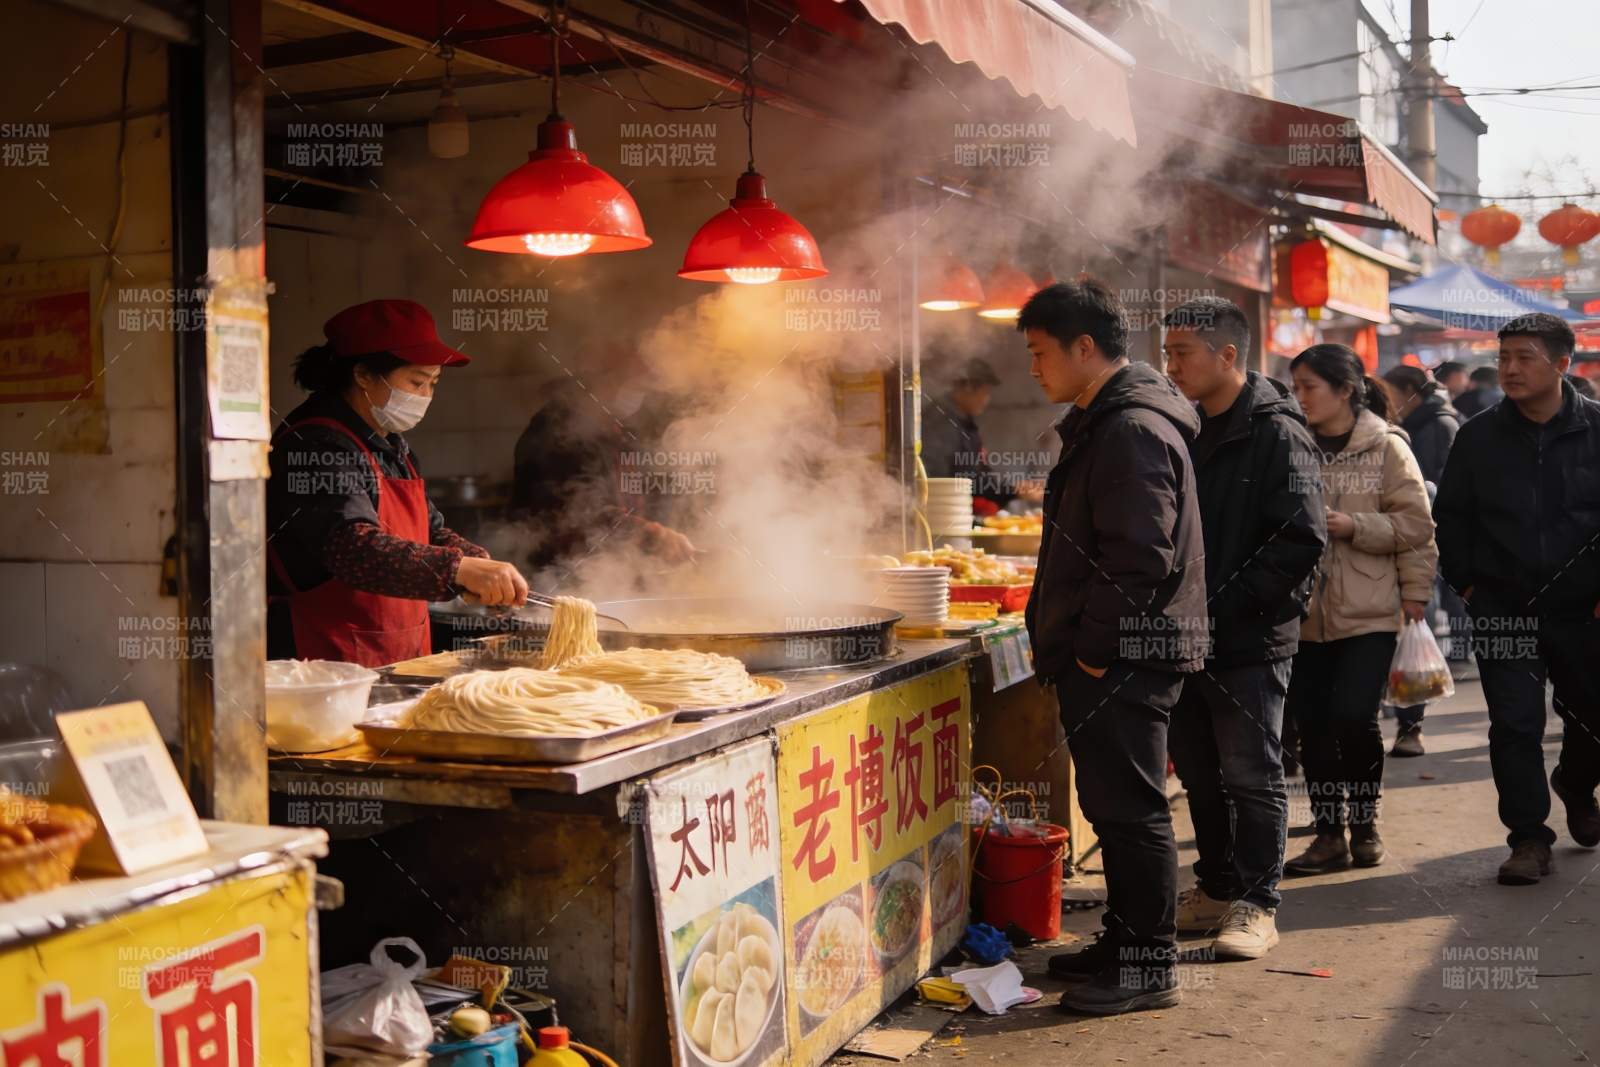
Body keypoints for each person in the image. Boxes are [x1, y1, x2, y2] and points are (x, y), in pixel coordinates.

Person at [1020, 280, 1208, 1014]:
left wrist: (1095, 648)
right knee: (1112, 803)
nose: (1034, 369)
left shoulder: (1130, 428)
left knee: (1129, 810)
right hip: (1119, 652)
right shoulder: (1110, 419)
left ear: (1084, 347)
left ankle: (1147, 965)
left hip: (1126, 655)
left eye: (1040, 353)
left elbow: (1140, 557)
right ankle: (1126, 939)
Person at [1161, 298, 1326, 960]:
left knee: (1251, 774)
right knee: (1200, 771)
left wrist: (1222, 609)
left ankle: (1258, 903)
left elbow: (1299, 538)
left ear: (1228, 355)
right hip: (1184, 637)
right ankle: (1217, 883)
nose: (1170, 365)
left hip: (1250, 638)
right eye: (1166, 352)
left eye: (1181, 353)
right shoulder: (1182, 423)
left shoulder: (1277, 430)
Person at [267, 300, 529, 666]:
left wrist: (478, 563)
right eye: (416, 382)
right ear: (362, 375)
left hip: (396, 653)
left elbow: (429, 529)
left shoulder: (390, 444)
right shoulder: (315, 444)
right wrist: (458, 570)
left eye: (433, 383)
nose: (425, 396)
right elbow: (352, 549)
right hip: (325, 661)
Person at [1434, 313, 1600, 886]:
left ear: (1561, 364)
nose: (1509, 368)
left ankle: (1577, 786)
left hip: (1585, 612)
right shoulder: (1478, 435)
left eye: (1525, 357)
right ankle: (1529, 838)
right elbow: (1451, 518)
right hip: (1504, 609)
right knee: (1514, 724)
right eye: (1504, 357)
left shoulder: (1597, 430)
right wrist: (1471, 587)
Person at [1283, 344, 1436, 875]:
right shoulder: (1290, 444)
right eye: (1295, 387)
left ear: (1345, 390)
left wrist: (1353, 528)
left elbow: (1417, 529)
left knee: (1353, 716)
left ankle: (1365, 822)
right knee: (1314, 725)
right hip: (1301, 615)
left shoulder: (1387, 448)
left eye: (1310, 387)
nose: (1299, 398)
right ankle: (1329, 834)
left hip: (1369, 610)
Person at [510, 373, 695, 574]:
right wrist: (652, 535)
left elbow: (637, 493)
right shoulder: (555, 432)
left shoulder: (613, 429)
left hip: (608, 572)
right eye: (618, 384)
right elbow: (576, 513)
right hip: (560, 576)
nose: (633, 395)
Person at [1380, 365, 1463, 756]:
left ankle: (1410, 726)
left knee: (1415, 629)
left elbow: (1433, 493)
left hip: (1420, 546)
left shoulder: (1430, 427)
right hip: (1376, 568)